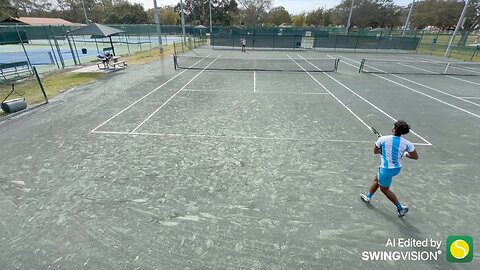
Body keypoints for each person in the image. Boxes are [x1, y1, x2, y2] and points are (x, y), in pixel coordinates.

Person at [360, 120, 418, 217]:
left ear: (394, 129)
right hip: (397, 169)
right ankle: (368, 197)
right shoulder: (408, 143)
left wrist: (383, 150)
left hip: (386, 169)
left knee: (384, 189)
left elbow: (376, 151)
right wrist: (404, 153)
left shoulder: (382, 139)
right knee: (376, 179)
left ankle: (400, 208)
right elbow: (415, 156)